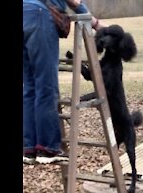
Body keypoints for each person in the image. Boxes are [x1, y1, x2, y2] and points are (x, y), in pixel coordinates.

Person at [23, 0, 106, 164]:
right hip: (39, 16)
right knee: (46, 86)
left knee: (29, 87)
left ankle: (29, 147)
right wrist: (94, 23)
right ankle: (47, 148)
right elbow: (73, 1)